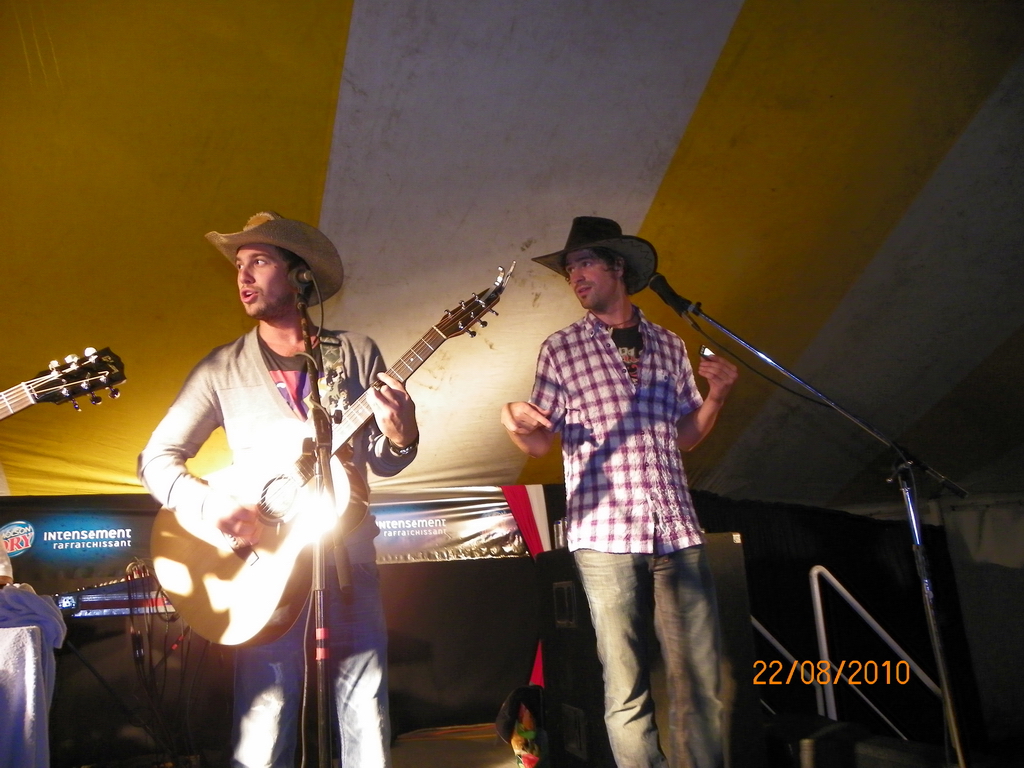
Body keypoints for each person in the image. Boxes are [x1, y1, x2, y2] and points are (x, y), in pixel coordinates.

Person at [138, 212, 419, 768]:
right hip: (260, 570)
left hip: (348, 559)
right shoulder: (221, 369)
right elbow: (155, 459)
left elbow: (382, 463)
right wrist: (210, 504)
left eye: (259, 262)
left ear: (300, 276)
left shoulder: (355, 353)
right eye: (239, 265)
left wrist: (402, 434)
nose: (242, 277)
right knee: (264, 718)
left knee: (365, 714)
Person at [501, 216, 738, 768]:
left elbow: (684, 435)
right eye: (570, 268)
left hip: (675, 528)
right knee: (625, 688)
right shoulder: (560, 349)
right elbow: (539, 440)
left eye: (585, 263)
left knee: (701, 683)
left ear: (618, 267)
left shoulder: (670, 344)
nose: (575, 276)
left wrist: (717, 398)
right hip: (604, 536)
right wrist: (513, 420)